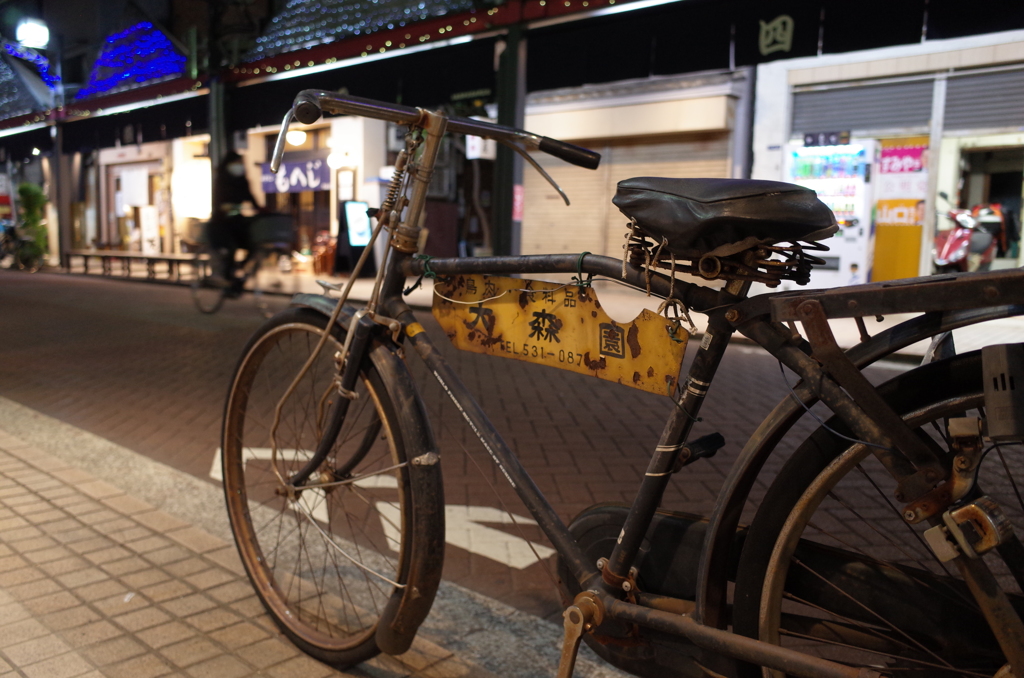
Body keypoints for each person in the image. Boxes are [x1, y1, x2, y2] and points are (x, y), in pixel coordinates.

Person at [208, 151, 262, 294]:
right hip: (221, 223)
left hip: (237, 221)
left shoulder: (243, 180)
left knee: (253, 247)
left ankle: (238, 273)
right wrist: (224, 207)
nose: (239, 166)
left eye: (240, 163)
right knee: (229, 248)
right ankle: (227, 276)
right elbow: (218, 200)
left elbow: (251, 197)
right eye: (236, 163)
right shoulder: (221, 180)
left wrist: (260, 209)